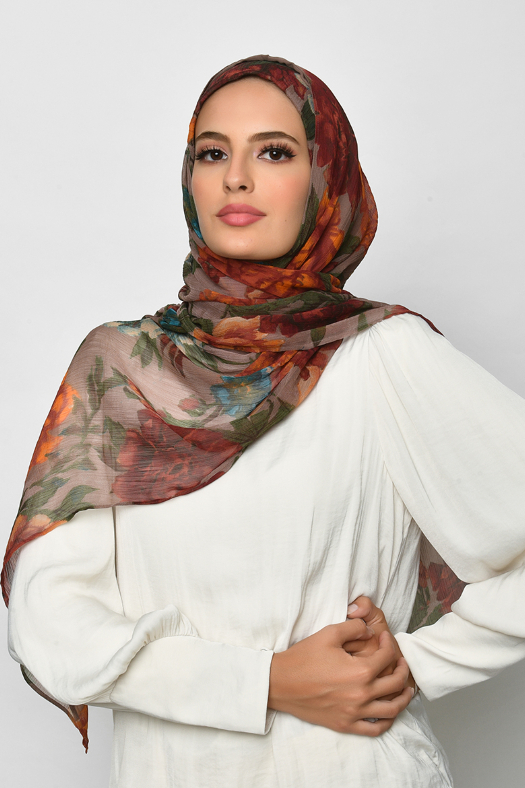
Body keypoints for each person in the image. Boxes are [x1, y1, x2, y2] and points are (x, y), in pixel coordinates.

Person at [3, 54, 525, 788]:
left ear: (325, 180)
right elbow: (50, 628)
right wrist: (267, 683)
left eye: (273, 152)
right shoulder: (122, 371)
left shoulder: (381, 355)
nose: (236, 179)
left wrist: (416, 662)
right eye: (212, 153)